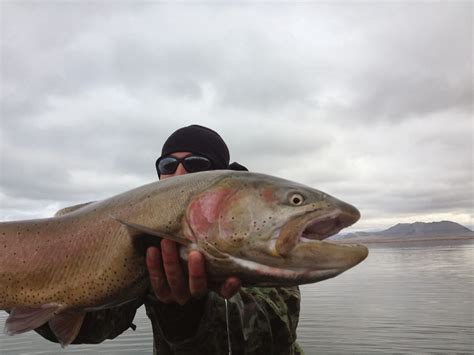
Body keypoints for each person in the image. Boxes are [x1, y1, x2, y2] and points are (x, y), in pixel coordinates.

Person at [35, 125, 303, 355]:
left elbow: (274, 330)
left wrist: (190, 314)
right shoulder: (145, 241)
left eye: (197, 164)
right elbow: (95, 325)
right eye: (168, 165)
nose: (178, 174)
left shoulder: (267, 239)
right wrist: (25, 287)